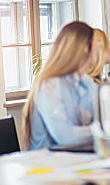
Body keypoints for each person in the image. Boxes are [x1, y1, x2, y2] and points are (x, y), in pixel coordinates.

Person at [22, 21, 99, 150]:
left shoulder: (86, 82)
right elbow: (64, 136)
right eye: (97, 45)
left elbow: (97, 118)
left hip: (76, 159)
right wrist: (102, 131)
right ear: (86, 47)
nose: (99, 50)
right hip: (47, 165)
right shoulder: (50, 85)